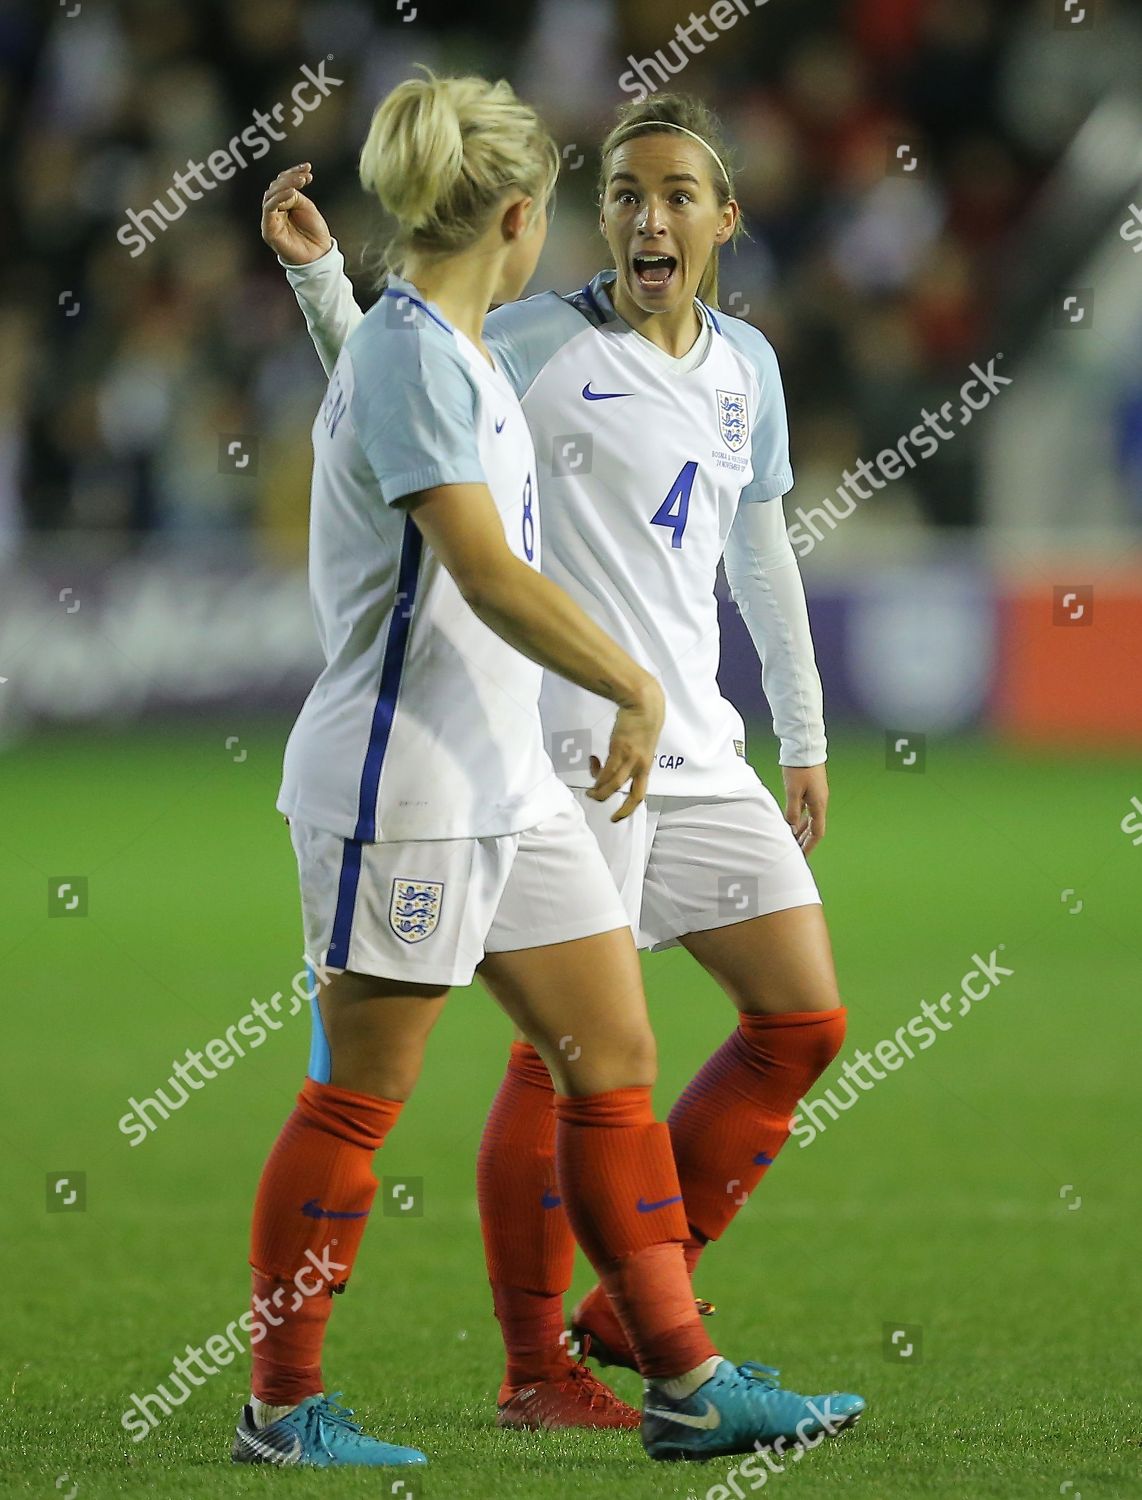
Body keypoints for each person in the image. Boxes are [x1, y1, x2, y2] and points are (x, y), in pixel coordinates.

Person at [256, 83, 864, 1456]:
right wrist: (316, 292)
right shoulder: (508, 340)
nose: (645, 220)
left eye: (673, 197)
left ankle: (649, 1344)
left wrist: (799, 728)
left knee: (763, 1026)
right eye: (621, 197)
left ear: (725, 219)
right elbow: (393, 398)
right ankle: (505, 1368)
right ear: (548, 219)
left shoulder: (740, 367)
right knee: (528, 1066)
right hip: (545, 739)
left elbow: (758, 548)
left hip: (674, 731)